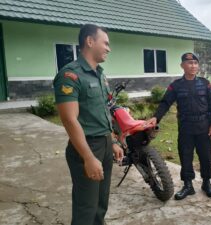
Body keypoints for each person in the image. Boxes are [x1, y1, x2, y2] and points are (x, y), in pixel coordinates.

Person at [53, 24, 124, 225]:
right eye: (106, 43)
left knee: (101, 204)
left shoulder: (100, 74)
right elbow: (69, 119)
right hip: (86, 147)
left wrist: (113, 142)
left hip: (104, 144)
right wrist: (88, 157)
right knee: (86, 207)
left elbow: (101, 112)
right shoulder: (70, 75)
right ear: (90, 41)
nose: (109, 48)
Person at [147, 53, 211, 200]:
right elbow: (165, 103)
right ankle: (188, 185)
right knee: (185, 156)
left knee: (206, 157)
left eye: (195, 63)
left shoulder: (205, 83)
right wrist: (156, 117)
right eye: (189, 63)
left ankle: (206, 183)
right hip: (186, 127)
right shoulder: (176, 86)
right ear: (182, 66)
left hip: (204, 126)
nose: (193, 66)